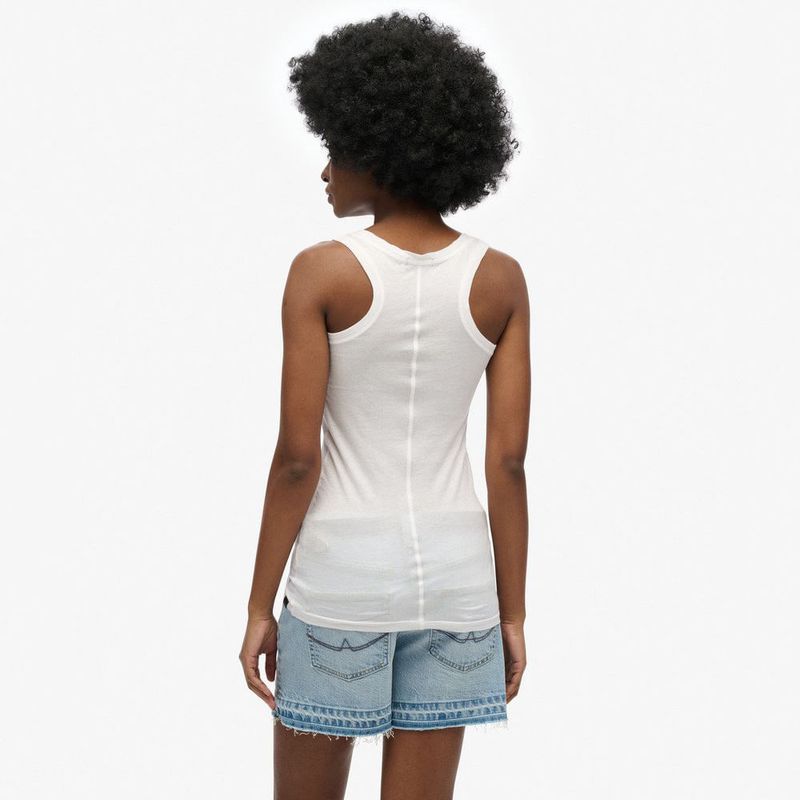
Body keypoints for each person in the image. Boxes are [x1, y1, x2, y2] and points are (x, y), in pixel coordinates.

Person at [239, 11, 530, 799]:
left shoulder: (323, 272)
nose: (325, 169)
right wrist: (512, 614)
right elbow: (507, 463)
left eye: (336, 147)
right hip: (460, 582)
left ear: (382, 150)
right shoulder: (500, 279)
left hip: (342, 579)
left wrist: (261, 604)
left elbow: (297, 460)